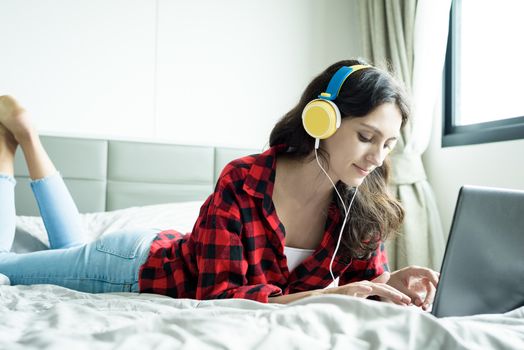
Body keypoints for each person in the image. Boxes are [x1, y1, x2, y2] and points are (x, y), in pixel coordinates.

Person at [0, 59, 439, 308]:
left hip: (158, 249)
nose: (376, 158)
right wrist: (332, 296)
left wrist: (391, 283)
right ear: (322, 119)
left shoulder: (366, 206)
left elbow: (362, 289)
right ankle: (14, 142)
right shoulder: (245, 180)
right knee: (4, 265)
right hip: (132, 269)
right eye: (366, 137)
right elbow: (221, 296)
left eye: (388, 144)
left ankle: (22, 136)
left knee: (64, 247)